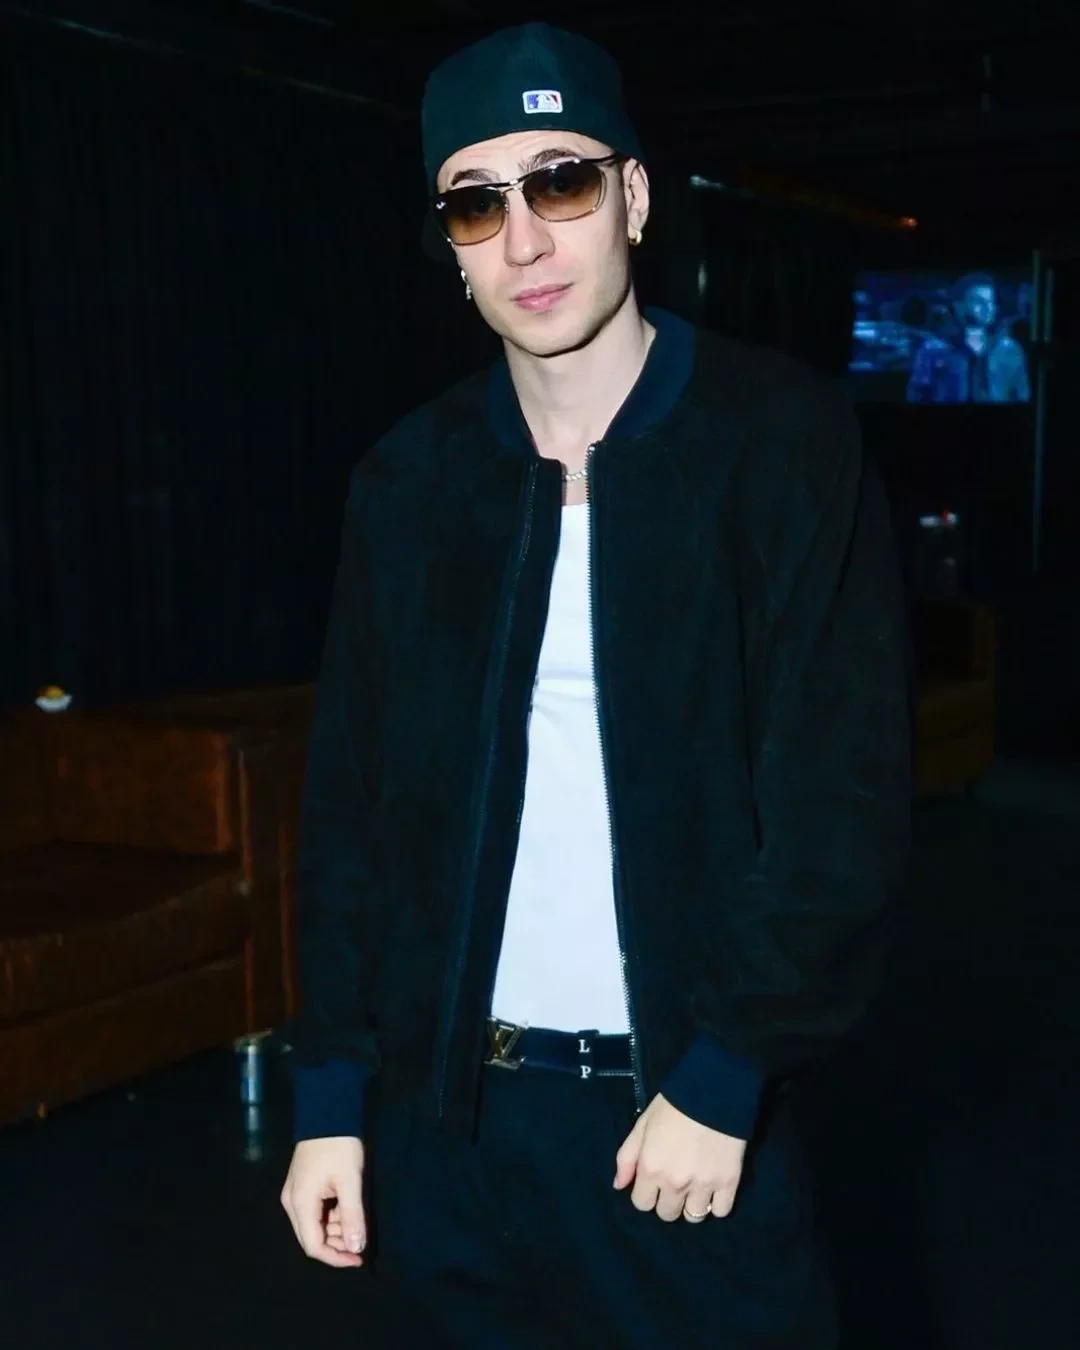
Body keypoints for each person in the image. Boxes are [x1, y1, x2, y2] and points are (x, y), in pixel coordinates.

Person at [280, 21, 912, 1349]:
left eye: (560, 183)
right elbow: (351, 815)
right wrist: (332, 1096)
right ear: (451, 247)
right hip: (447, 1128)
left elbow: (839, 802)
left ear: (632, 195)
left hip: (678, 1121)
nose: (524, 241)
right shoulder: (409, 483)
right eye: (477, 203)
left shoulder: (778, 443)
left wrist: (729, 1068)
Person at [907, 272, 1030, 403]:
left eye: (990, 301)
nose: (987, 307)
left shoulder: (1009, 349)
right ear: (959, 305)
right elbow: (918, 395)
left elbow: (1021, 394)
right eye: (978, 302)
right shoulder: (933, 349)